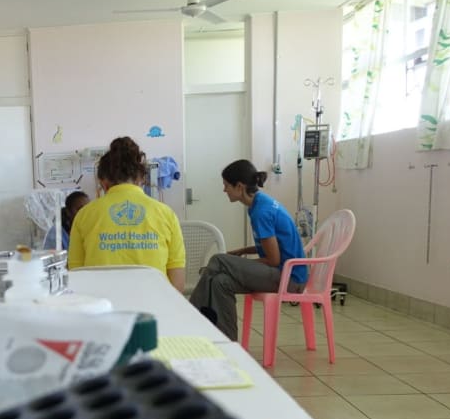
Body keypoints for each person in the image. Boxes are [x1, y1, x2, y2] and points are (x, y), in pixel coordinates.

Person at [189, 159, 307, 341]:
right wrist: (240, 252)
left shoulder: (261, 212)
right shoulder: (259, 204)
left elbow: (273, 259)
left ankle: (190, 315)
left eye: (226, 185)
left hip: (289, 278)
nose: (224, 190)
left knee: (218, 260)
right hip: (283, 273)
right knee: (220, 282)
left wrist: (239, 264)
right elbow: (270, 247)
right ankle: (228, 341)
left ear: (239, 186)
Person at [68, 137, 186, 291]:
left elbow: (76, 276)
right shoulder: (166, 214)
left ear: (102, 182)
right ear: (142, 179)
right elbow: (177, 284)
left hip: (102, 303)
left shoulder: (84, 215)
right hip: (155, 302)